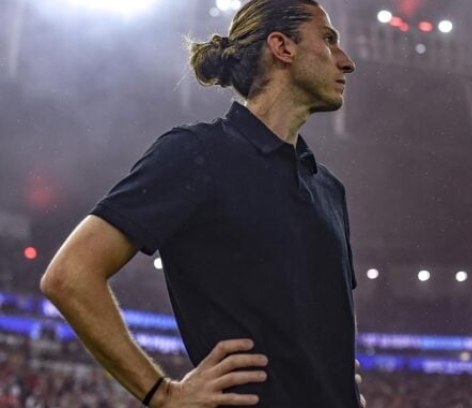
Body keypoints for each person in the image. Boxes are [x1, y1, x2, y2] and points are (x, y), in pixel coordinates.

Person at [39, 0, 362, 407]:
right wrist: (162, 393)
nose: (346, 61)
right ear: (282, 47)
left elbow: (326, 322)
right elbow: (70, 274)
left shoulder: (329, 188)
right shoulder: (198, 153)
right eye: (328, 39)